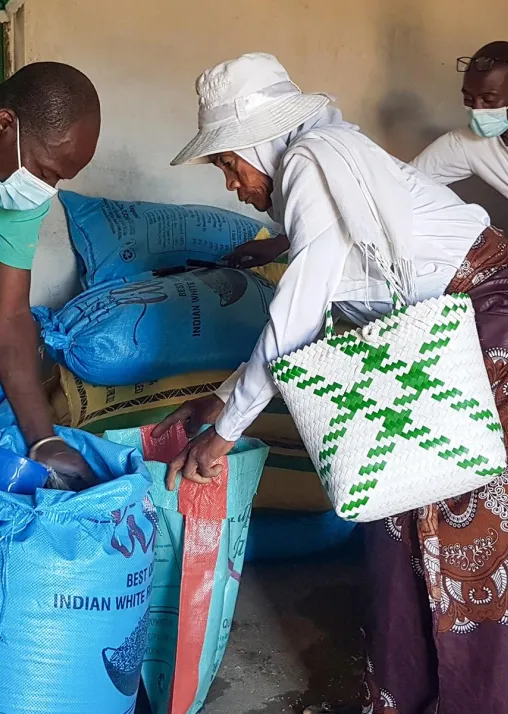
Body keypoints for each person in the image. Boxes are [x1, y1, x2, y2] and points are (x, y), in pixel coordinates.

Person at [153, 52, 508, 713]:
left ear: (259, 141)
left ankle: (471, 697)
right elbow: (337, 257)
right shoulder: (317, 161)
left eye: (230, 162)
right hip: (454, 317)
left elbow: (299, 314)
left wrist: (225, 432)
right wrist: (226, 395)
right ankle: (410, 686)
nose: (231, 183)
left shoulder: (312, 162)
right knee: (396, 507)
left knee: (462, 527)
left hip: (485, 320)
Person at [0, 62, 100, 483]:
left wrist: (43, 440)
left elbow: (10, 316)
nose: (46, 189)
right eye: (44, 172)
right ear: (5, 124)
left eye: (59, 179)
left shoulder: (24, 197)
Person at [413, 41, 508, 201]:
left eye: (488, 99)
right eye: (469, 98)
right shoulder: (466, 143)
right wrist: (471, 222)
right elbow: (406, 183)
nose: (477, 109)